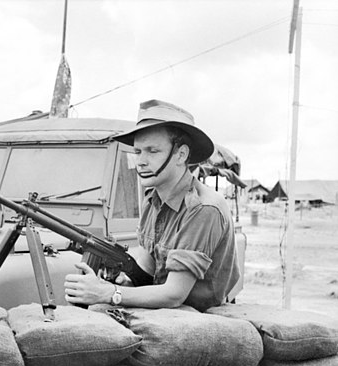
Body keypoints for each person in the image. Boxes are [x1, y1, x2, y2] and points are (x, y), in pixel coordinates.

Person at [64, 99, 240, 312]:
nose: (141, 161)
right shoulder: (153, 199)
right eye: (137, 152)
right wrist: (121, 281)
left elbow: (174, 294)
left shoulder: (203, 208)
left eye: (152, 151)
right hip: (165, 310)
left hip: (195, 315)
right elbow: (149, 267)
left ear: (181, 155)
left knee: (100, 309)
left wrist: (108, 293)